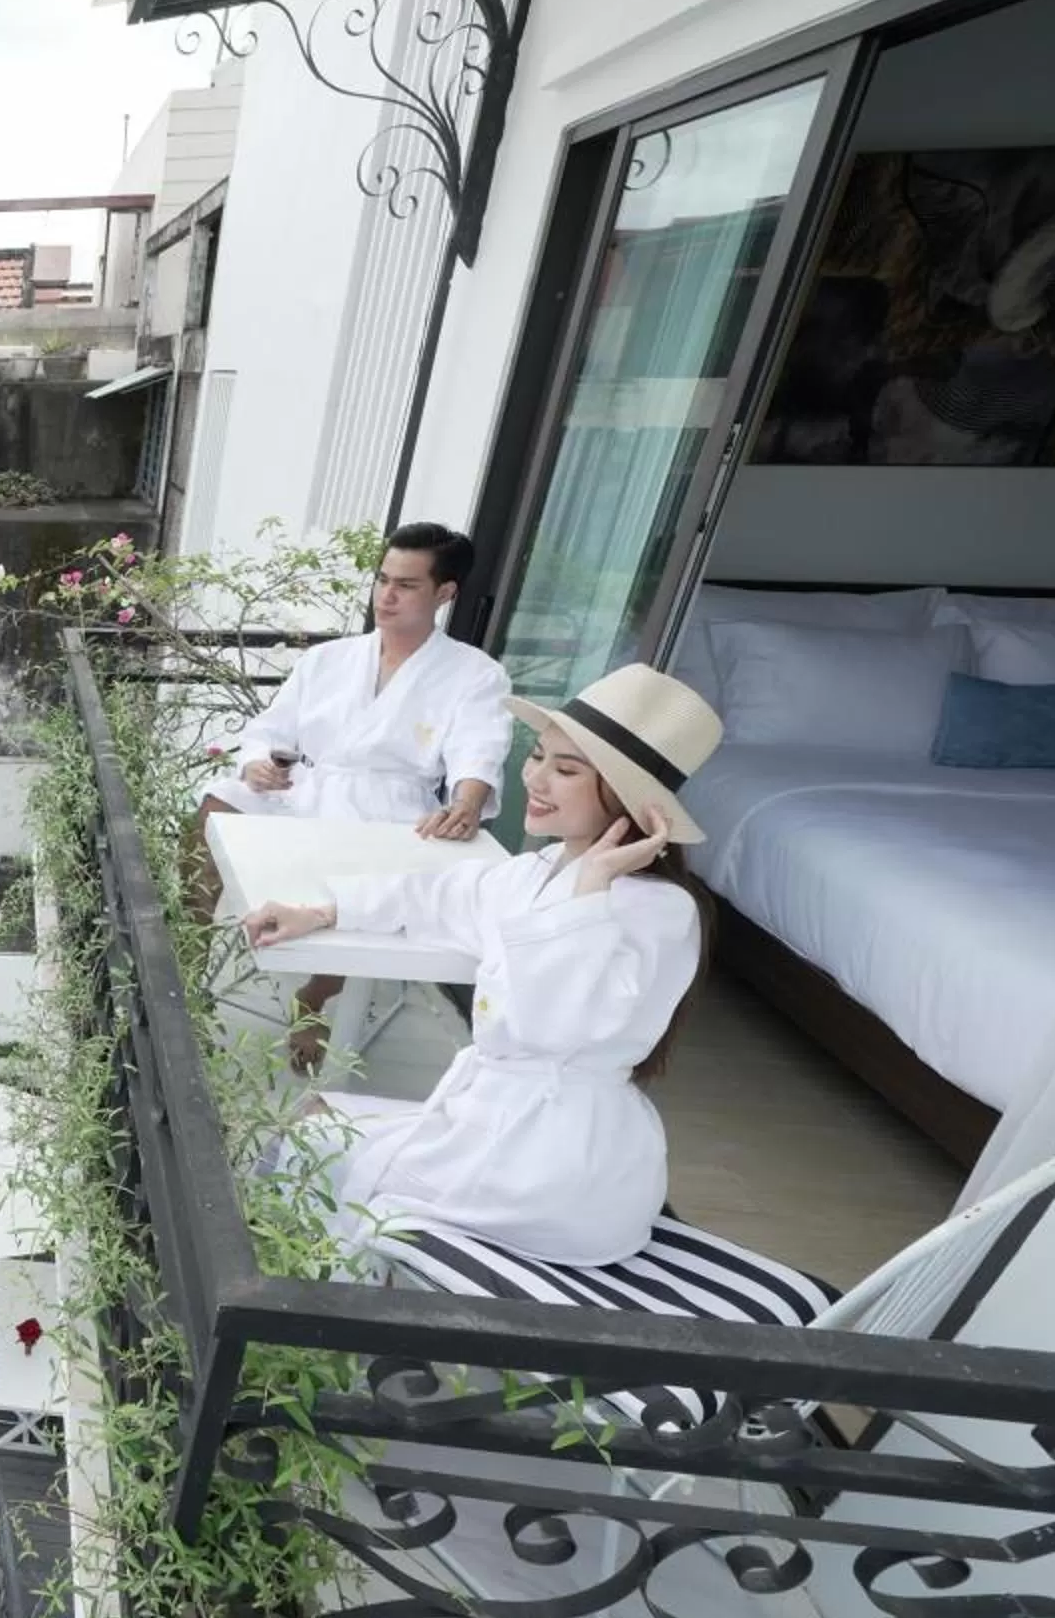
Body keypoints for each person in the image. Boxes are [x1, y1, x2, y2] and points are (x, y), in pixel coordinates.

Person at [241, 663, 719, 1267]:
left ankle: (302, 1319)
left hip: (557, 1172)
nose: (536, 779)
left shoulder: (660, 911)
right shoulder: (536, 874)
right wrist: (320, 911)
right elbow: (435, 895)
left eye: (567, 770)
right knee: (310, 1121)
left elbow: (554, 1023)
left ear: (629, 803)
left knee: (314, 1148)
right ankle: (290, 1305)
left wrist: (594, 882)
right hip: (502, 1136)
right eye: (539, 756)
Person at [189, 522, 513, 1064]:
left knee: (356, 884)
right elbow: (271, 730)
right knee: (215, 807)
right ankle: (185, 967)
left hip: (390, 802)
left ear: (445, 592)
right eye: (382, 579)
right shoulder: (330, 659)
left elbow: (479, 747)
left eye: (406, 585)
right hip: (307, 785)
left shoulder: (473, 674)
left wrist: (468, 800)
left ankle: (314, 1000)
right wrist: (256, 766)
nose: (386, 595)